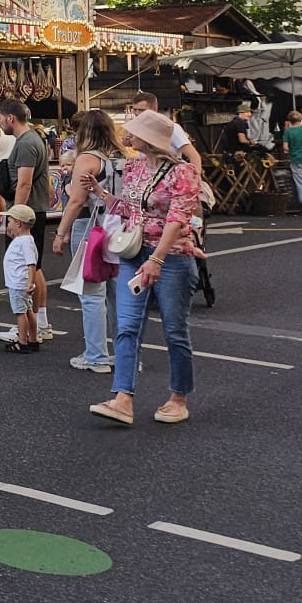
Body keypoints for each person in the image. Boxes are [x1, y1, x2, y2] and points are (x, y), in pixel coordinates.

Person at [89, 109, 208, 427]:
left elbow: (177, 219)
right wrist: (101, 194)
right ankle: (122, 399)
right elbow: (132, 211)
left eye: (134, 131)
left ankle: (179, 397)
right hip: (135, 253)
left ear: (150, 138)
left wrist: (156, 259)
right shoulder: (134, 167)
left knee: (174, 330)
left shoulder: (183, 172)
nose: (127, 135)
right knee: (127, 327)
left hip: (171, 258)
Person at [53, 110, 125, 373]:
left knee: (92, 292)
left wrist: (61, 233)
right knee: (118, 296)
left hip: (91, 226)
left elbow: (77, 200)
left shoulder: (88, 158)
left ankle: (96, 355)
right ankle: (125, 355)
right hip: (119, 227)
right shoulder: (122, 157)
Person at [0, 100, 57, 342]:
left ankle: (34, 326)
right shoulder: (32, 139)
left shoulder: (26, 143)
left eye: (0, 119)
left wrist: (14, 216)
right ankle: (40, 323)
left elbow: (24, 183)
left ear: (11, 118)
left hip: (28, 212)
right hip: (33, 211)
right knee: (34, 266)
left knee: (28, 267)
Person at [1, 203, 42, 354]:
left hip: (19, 283)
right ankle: (33, 339)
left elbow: (31, 263)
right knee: (28, 311)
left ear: (18, 223)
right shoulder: (25, 239)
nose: (8, 225)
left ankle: (22, 341)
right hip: (21, 282)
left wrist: (31, 282)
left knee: (20, 313)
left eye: (10, 222)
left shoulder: (24, 242)